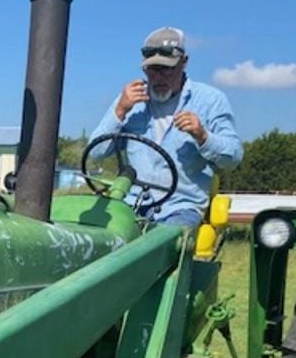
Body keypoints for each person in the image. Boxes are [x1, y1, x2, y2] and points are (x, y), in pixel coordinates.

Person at [91, 27, 243, 226]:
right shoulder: (130, 100)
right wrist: (119, 111)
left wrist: (203, 136)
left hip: (180, 208)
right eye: (152, 69)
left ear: (184, 62)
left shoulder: (210, 100)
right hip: (130, 204)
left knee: (156, 248)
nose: (158, 77)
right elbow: (96, 152)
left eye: (166, 69)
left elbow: (233, 158)